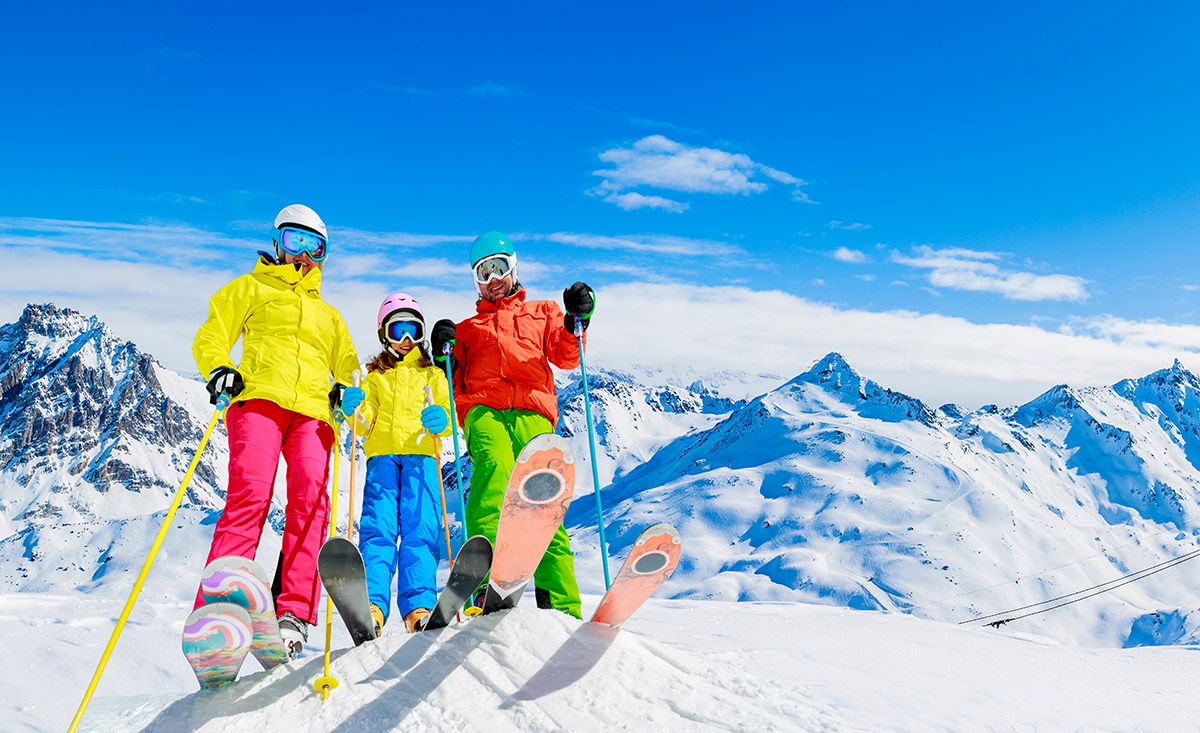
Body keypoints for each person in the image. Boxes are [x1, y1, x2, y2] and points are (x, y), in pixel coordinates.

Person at [192, 204, 363, 659]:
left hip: (311, 413)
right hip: (260, 400)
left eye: (315, 247)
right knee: (250, 494)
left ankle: (293, 612)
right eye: (295, 241)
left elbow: (348, 365)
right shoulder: (248, 288)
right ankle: (221, 608)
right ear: (276, 243)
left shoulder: (330, 316)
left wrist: (347, 388)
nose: (303, 255)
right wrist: (220, 368)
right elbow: (212, 334)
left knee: (312, 502)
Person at [430, 230, 595, 618]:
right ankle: (487, 581)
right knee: (494, 476)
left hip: (533, 412)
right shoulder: (468, 329)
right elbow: (451, 386)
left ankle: (562, 606)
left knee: (544, 501)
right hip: (483, 410)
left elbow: (567, 356)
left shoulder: (543, 312)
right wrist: (443, 357)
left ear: (514, 267)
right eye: (482, 273)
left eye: (498, 268)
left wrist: (577, 318)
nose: (492, 280)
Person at [356, 293, 452, 635]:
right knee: (378, 530)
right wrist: (355, 410)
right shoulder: (374, 377)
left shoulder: (434, 375)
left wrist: (442, 418)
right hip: (382, 457)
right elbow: (363, 422)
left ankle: (419, 607)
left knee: (421, 528)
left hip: (422, 455)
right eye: (399, 329)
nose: (407, 339)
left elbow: (448, 414)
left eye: (413, 329)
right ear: (385, 334)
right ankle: (372, 607)